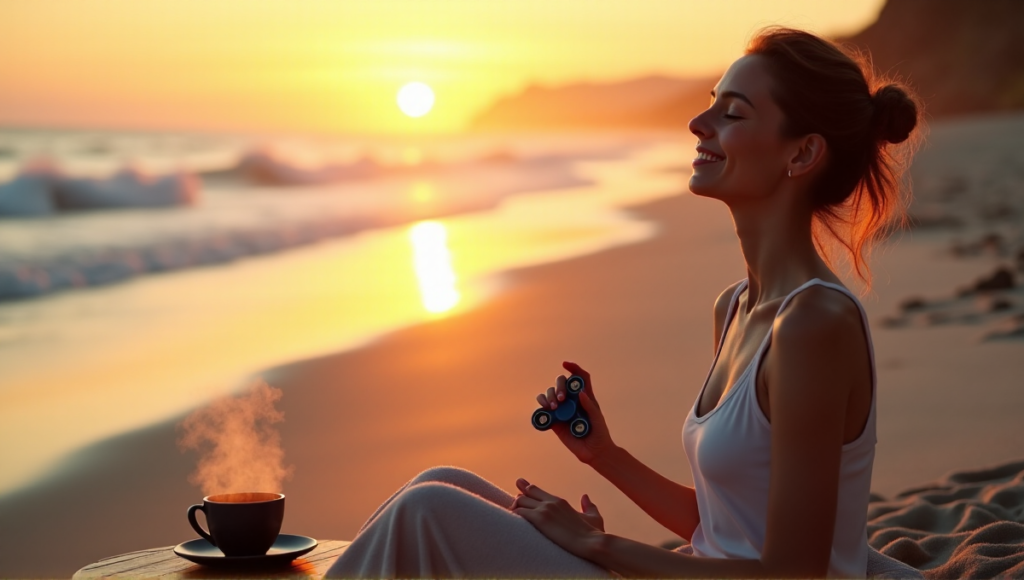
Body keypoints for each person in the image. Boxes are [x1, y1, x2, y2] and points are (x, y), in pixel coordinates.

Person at [326, 26, 925, 579]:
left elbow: (792, 574)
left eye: (732, 112)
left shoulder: (814, 324)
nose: (698, 122)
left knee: (429, 511)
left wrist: (599, 547)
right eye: (711, 102)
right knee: (440, 481)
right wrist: (605, 456)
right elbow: (724, 527)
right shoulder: (736, 307)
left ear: (801, 154)